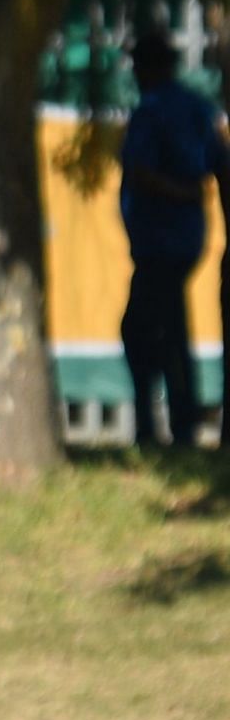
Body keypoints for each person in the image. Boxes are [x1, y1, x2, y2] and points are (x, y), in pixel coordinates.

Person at [119, 31, 227, 448]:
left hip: (160, 241)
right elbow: (222, 165)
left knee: (143, 332)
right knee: (166, 328)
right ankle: (172, 421)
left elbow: (142, 171)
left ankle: (160, 424)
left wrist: (180, 193)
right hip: (186, 240)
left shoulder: (153, 111)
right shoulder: (198, 109)